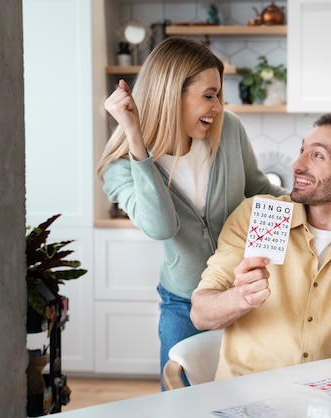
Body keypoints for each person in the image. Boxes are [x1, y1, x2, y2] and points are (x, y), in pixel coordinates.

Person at [96, 37, 289, 386]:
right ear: (172, 94)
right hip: (184, 304)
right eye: (209, 95)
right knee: (182, 402)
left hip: (246, 294)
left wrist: (327, 206)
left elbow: (262, 193)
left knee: (255, 397)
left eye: (219, 96)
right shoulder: (120, 167)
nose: (217, 107)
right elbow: (161, 227)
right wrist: (137, 141)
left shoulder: (227, 130)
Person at [190, 113, 331, 379]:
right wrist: (240, 297)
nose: (297, 164)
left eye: (317, 156)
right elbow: (200, 314)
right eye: (302, 150)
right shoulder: (258, 216)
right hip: (248, 396)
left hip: (330, 398)